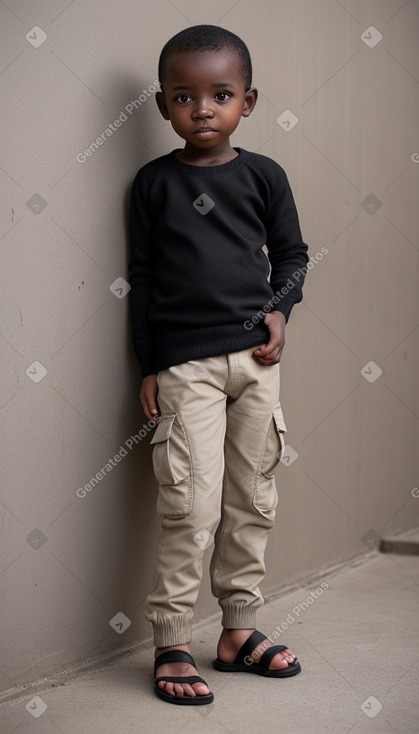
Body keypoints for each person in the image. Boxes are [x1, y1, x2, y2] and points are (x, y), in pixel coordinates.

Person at [128, 24, 309, 706]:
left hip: (257, 364)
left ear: (248, 102)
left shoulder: (264, 176)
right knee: (189, 505)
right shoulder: (153, 184)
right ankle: (172, 639)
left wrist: (280, 310)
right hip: (185, 369)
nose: (202, 108)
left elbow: (292, 256)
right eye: (184, 96)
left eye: (220, 94)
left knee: (252, 500)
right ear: (162, 106)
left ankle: (238, 630)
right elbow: (141, 279)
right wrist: (150, 364)